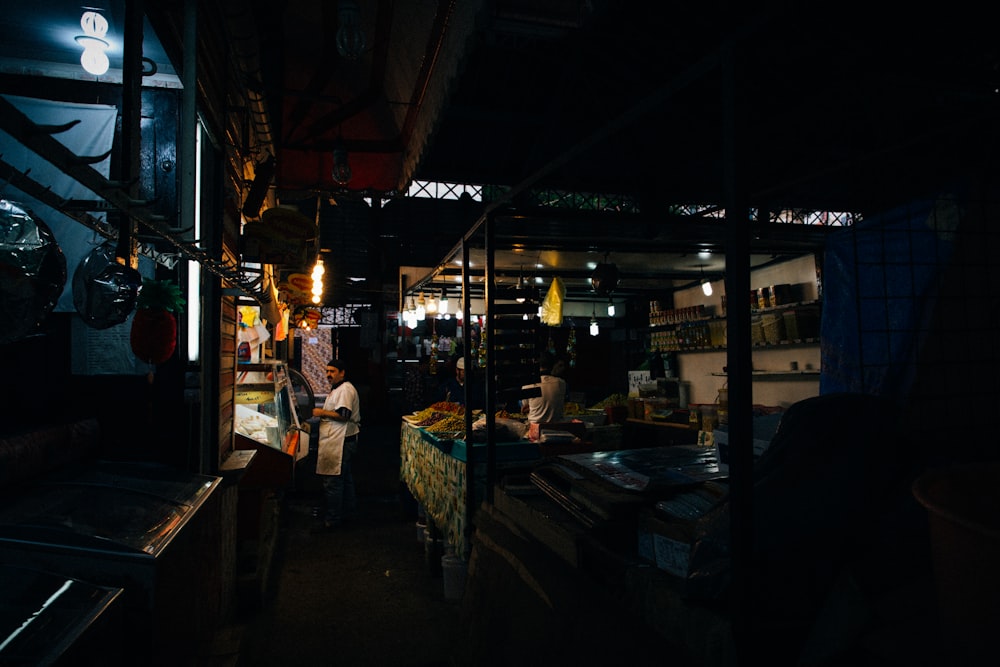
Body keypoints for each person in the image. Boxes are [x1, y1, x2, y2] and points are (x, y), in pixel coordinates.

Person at [312, 359, 361, 530]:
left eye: (333, 371)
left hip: (341, 442)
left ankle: (333, 520)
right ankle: (348, 514)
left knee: (333, 483)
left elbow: (344, 414)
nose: (328, 375)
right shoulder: (338, 390)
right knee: (344, 480)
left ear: (342, 372)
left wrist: (321, 412)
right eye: (327, 371)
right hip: (339, 440)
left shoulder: (345, 389)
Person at [521, 352, 567, 423]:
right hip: (557, 428)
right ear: (553, 366)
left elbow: (525, 407)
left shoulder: (528, 385)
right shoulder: (561, 383)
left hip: (534, 428)